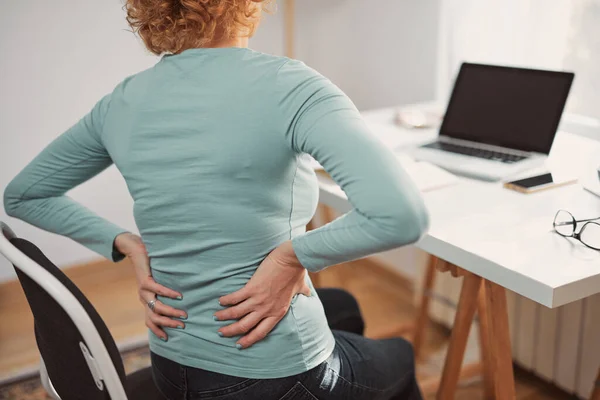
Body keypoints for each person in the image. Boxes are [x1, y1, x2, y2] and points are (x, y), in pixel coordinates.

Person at [3, 0, 429, 398]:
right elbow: (400, 215)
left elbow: (23, 195)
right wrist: (291, 257)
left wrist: (126, 243)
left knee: (343, 307)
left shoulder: (121, 102)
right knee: (401, 358)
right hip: (273, 375)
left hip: (173, 369)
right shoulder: (291, 85)